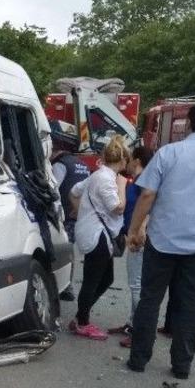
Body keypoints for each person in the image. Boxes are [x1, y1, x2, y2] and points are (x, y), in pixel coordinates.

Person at [126, 104, 195, 378]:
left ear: (188, 124)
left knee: (150, 299)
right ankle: (182, 366)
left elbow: (148, 195)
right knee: (192, 305)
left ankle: (138, 360)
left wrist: (134, 229)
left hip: (163, 240)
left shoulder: (168, 153)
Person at [68, 135, 129, 339]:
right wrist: (122, 186)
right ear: (122, 161)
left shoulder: (98, 174)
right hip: (97, 236)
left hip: (93, 233)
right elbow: (117, 207)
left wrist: (80, 212)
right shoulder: (107, 179)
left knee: (106, 278)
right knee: (92, 281)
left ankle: (80, 316)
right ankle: (82, 322)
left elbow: (74, 192)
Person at [113, 145, 155, 347]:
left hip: (139, 237)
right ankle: (132, 323)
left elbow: (148, 207)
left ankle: (138, 330)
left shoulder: (143, 182)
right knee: (136, 283)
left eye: (130, 159)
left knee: (137, 284)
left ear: (137, 161)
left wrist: (138, 231)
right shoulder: (140, 180)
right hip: (136, 234)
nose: (127, 163)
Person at [50, 123, 90, 301]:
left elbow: (52, 189)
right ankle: (67, 286)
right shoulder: (82, 165)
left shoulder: (60, 165)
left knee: (60, 249)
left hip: (64, 214)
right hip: (79, 214)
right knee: (69, 249)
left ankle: (63, 285)